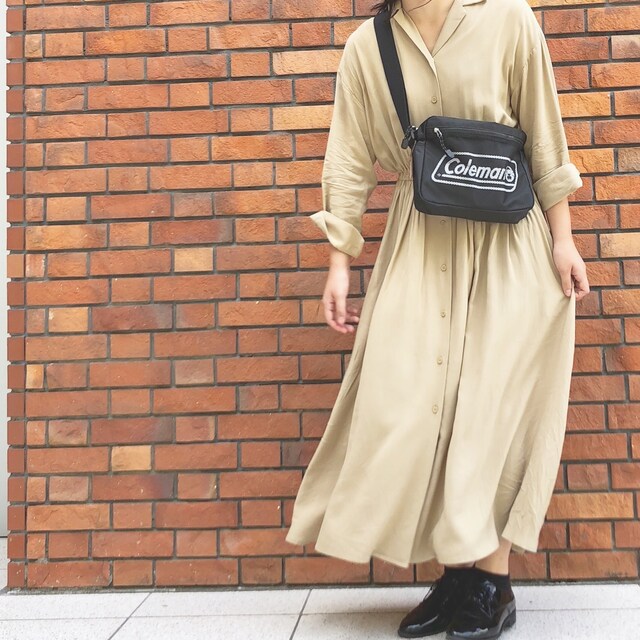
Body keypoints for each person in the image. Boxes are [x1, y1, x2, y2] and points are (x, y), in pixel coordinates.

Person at [284, 0, 590, 638]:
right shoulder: (368, 46)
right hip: (419, 244)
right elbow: (348, 158)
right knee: (415, 402)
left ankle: (490, 584)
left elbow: (543, 130)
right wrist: (339, 262)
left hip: (509, 241)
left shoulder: (507, 17)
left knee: (490, 412)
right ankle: (457, 575)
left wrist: (563, 240)